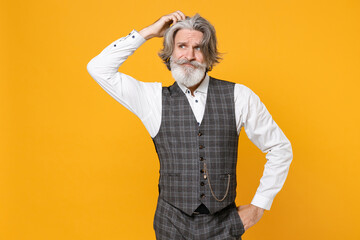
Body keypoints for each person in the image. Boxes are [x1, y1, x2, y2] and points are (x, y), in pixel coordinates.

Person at [87, 11, 293, 240]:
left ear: (209, 54)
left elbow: (279, 148)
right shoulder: (151, 99)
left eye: (198, 48)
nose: (189, 55)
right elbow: (98, 68)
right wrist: (148, 32)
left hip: (224, 225)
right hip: (170, 225)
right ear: (171, 53)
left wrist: (258, 207)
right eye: (182, 46)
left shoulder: (239, 96)